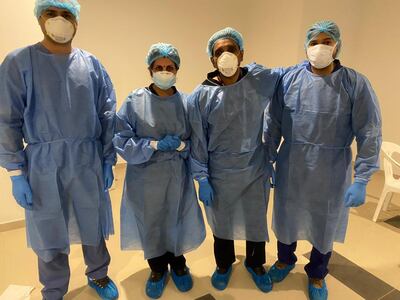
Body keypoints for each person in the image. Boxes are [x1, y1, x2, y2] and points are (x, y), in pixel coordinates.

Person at [0, 1, 119, 299]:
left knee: (92, 220)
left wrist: (107, 160)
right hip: (42, 163)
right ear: (39, 19)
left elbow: (107, 114)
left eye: (66, 14)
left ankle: (99, 275)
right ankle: (53, 288)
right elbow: (6, 119)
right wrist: (16, 172)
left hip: (87, 159)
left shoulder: (91, 64)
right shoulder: (19, 62)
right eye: (51, 13)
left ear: (77, 21)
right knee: (48, 227)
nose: (59, 20)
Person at [265, 21, 382, 300]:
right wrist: (267, 159)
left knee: (325, 221)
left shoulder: (354, 84)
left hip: (331, 169)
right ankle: (285, 260)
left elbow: (370, 131)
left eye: (326, 41)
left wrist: (363, 178)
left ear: (337, 46)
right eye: (314, 41)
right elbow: (274, 123)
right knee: (287, 215)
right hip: (291, 164)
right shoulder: (289, 79)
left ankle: (317, 273)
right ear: (306, 46)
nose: (320, 47)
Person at [188, 27, 282, 293]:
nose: (226, 55)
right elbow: (197, 140)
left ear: (241, 53)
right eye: (219, 52)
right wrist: (202, 177)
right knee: (222, 219)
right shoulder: (201, 95)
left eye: (231, 49)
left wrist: (270, 158)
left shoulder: (258, 81)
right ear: (212, 60)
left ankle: (255, 263)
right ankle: (224, 264)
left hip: (254, 166)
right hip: (220, 170)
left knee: (255, 218)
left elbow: (288, 76)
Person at [113, 43, 206, 299]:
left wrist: (182, 145)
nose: (164, 72)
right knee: (151, 221)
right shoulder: (134, 101)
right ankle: (156, 269)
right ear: (149, 70)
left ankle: (178, 264)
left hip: (177, 175)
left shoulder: (187, 103)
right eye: (159, 67)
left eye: (169, 67)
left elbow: (196, 142)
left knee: (177, 217)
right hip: (145, 176)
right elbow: (121, 140)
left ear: (177, 70)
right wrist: (153, 144)